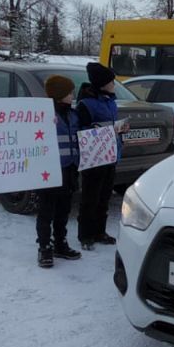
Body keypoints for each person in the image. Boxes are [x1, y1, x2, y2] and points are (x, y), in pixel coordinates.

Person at [76, 61, 128, 250]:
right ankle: (85, 235)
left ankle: (99, 231)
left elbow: (111, 126)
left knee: (104, 196)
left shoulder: (110, 102)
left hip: (111, 155)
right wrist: (100, 129)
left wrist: (120, 130)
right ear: (102, 83)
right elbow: (81, 130)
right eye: (111, 81)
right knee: (90, 198)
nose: (114, 84)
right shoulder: (86, 104)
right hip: (94, 158)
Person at [36, 75, 82, 267]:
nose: (73, 95)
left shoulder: (73, 115)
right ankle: (45, 247)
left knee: (64, 209)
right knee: (46, 210)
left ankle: (60, 243)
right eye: (70, 92)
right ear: (60, 94)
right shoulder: (44, 115)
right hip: (50, 171)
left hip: (70, 169)